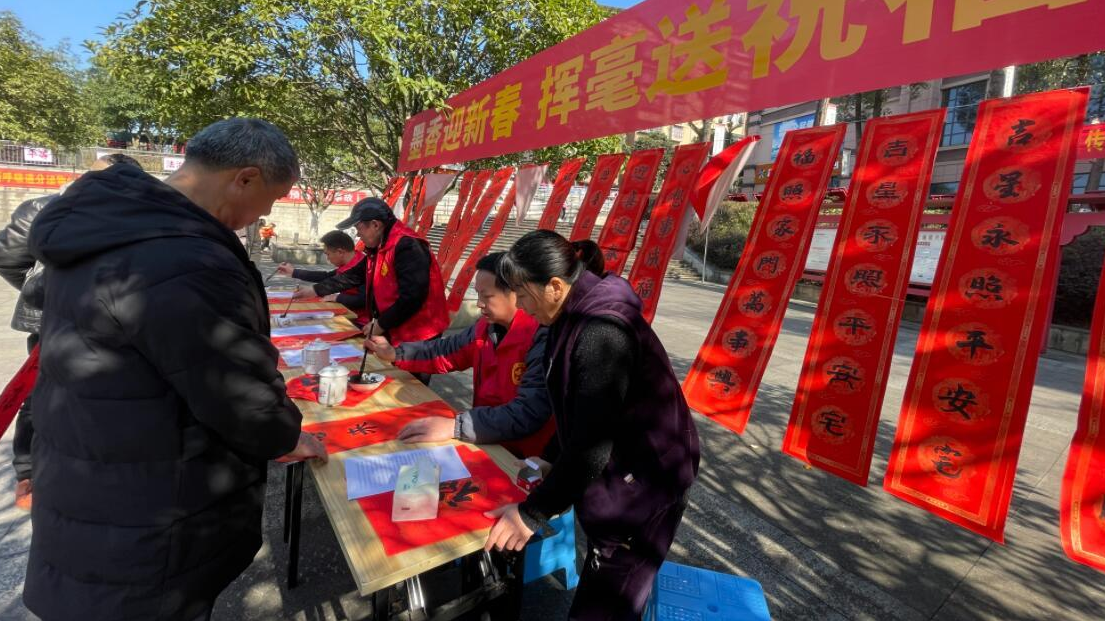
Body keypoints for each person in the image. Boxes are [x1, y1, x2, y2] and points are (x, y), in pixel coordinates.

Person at [23, 118, 327, 621]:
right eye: (271, 199)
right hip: (148, 514)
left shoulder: (110, 226)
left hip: (94, 480)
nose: (266, 214)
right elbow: (236, 392)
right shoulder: (185, 256)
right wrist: (284, 433)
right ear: (245, 178)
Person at [483, 230, 700, 620]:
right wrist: (551, 457)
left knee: (612, 594)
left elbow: (592, 446)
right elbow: (576, 408)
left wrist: (531, 514)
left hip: (648, 480)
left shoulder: (602, 331)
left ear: (554, 286)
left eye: (522, 294)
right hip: (623, 469)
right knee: (604, 576)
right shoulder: (565, 315)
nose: (521, 307)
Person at [0, 153, 143, 511]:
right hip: (53, 320)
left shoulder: (134, 214)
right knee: (42, 390)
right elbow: (8, 258)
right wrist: (52, 295)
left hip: (109, 318)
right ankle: (29, 471)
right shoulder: (43, 209)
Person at [366, 252, 553, 457]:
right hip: (485, 439)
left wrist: (456, 426)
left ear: (516, 293)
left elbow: (529, 411)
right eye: (478, 295)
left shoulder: (542, 337)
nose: (479, 303)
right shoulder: (484, 328)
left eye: (487, 296)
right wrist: (396, 353)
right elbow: (445, 351)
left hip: (525, 455)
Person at [294, 197, 449, 382]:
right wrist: (315, 290)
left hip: (418, 332)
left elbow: (413, 296)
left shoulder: (407, 246)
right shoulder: (379, 247)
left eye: (359, 228)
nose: (358, 235)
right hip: (395, 325)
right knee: (390, 376)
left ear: (375, 225)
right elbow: (354, 276)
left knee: (411, 384)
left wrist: (380, 324)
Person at [275, 230, 368, 325]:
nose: (327, 259)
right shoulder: (352, 262)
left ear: (340, 252)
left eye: (328, 254)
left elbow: (364, 301)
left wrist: (338, 297)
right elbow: (326, 276)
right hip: (347, 313)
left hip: (360, 321)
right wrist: (294, 272)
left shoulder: (362, 267)